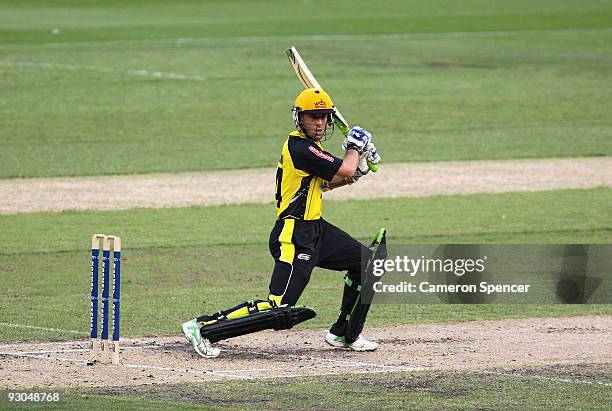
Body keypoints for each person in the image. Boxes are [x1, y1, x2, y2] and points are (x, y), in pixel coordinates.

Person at [182, 87, 381, 358]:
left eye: (324, 117)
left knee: (366, 263)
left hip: (316, 230)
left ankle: (344, 334)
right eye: (313, 116)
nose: (320, 122)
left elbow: (325, 184)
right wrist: (356, 148)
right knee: (280, 305)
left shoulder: (312, 149)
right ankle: (203, 327)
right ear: (300, 118)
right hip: (294, 233)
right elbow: (343, 168)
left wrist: (359, 170)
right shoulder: (301, 147)